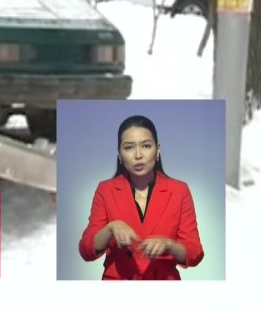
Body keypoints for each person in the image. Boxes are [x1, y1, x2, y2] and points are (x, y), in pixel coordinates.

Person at [77, 114, 204, 280]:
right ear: (119, 154)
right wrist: (111, 229)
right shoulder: (105, 190)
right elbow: (86, 250)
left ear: (158, 150)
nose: (138, 155)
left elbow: (195, 252)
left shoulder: (179, 190)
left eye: (146, 146)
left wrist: (169, 246)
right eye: (129, 147)